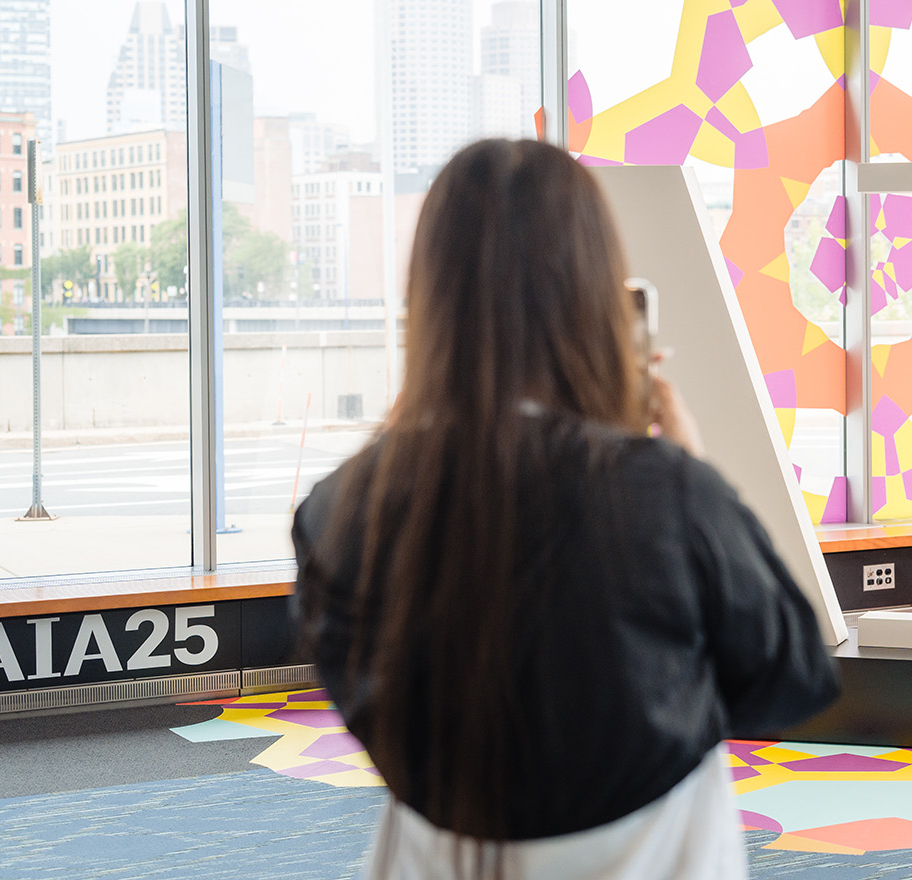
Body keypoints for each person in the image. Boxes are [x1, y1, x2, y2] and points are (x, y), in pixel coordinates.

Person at [291, 139, 840, 878]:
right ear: (597, 295)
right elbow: (792, 678)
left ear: (430, 301)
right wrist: (690, 467)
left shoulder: (342, 510)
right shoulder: (667, 492)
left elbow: (375, 709)